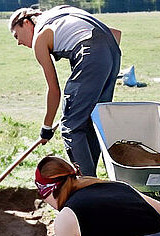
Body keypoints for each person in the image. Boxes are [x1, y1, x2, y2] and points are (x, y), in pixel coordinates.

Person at [9, 6, 122, 177]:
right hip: (112, 53)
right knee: (92, 120)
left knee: (71, 127)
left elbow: (54, 90)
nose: (18, 42)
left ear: (26, 23)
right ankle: (91, 180)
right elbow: (115, 33)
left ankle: (86, 185)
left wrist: (46, 127)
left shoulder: (40, 38)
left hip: (92, 54)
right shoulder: (60, 12)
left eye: (16, 35)